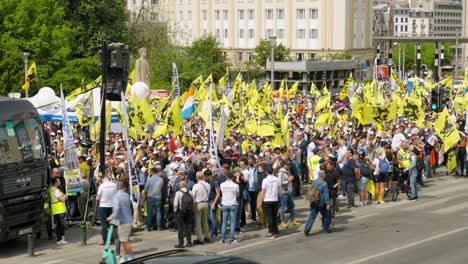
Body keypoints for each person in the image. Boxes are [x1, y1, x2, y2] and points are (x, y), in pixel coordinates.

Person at [107, 181, 134, 263]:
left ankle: (128, 257)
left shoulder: (116, 196)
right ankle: (125, 256)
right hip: (129, 219)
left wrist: (111, 217)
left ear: (116, 188)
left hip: (123, 221)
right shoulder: (126, 195)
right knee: (124, 240)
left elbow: (116, 209)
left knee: (124, 241)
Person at [304, 170, 331, 236]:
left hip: (314, 201)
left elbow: (311, 192)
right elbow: (326, 195)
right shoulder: (324, 183)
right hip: (321, 202)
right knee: (325, 215)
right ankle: (325, 229)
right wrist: (327, 203)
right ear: (323, 175)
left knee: (312, 216)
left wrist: (310, 201)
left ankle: (307, 228)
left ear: (319, 175)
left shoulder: (314, 182)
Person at [260, 165, 280, 238]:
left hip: (267, 200)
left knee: (269, 217)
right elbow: (279, 190)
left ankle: (271, 231)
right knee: (274, 215)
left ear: (266, 172)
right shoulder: (277, 179)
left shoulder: (265, 180)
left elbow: (263, 191)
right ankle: (276, 229)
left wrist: (261, 200)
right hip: (275, 199)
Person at [278, 161, 300, 228]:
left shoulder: (288, 171)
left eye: (289, 165)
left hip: (289, 192)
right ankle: (282, 221)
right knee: (282, 208)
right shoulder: (281, 172)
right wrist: (289, 180)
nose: (288, 166)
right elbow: (280, 183)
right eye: (287, 165)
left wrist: (291, 179)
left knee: (292, 206)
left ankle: (292, 220)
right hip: (283, 192)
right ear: (284, 165)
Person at [220, 171, 240, 244]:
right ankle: (231, 239)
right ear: (233, 177)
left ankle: (222, 238)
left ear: (226, 176)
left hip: (225, 204)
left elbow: (222, 192)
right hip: (232, 204)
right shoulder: (235, 185)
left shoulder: (222, 184)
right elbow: (238, 195)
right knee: (232, 222)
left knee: (224, 222)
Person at [96, 175, 117, 245]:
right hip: (113, 206)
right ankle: (112, 239)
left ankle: (106, 241)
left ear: (102, 180)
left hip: (103, 206)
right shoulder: (114, 184)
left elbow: (97, 198)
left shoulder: (102, 186)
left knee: (104, 224)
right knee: (112, 223)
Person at [192, 171, 211, 245]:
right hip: (206, 203)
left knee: (198, 222)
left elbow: (193, 196)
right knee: (205, 221)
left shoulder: (196, 186)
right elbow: (208, 194)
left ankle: (200, 238)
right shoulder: (207, 185)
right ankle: (207, 236)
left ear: (197, 177)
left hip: (198, 203)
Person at [173, 181, 194, 248]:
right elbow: (193, 201)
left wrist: (175, 211)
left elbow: (176, 204)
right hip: (189, 210)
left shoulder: (178, 193)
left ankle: (181, 243)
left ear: (180, 186)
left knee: (180, 227)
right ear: (186, 185)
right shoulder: (190, 192)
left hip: (181, 211)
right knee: (188, 227)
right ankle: (189, 243)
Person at [144, 167, 164, 231]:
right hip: (158, 197)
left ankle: (149, 227)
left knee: (149, 213)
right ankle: (158, 227)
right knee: (158, 212)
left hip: (150, 196)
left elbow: (145, 189)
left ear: (152, 172)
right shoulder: (161, 179)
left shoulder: (149, 179)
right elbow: (161, 187)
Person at [49, 177, 68, 245]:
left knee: (59, 225)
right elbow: (62, 199)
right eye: (59, 181)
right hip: (59, 210)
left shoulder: (54, 190)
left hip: (57, 210)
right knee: (61, 225)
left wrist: (64, 196)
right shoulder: (56, 190)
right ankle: (60, 239)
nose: (60, 182)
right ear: (55, 182)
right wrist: (65, 196)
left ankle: (61, 239)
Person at [205, 169, 221, 238]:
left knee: (212, 218)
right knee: (209, 217)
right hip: (207, 201)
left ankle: (215, 233)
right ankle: (210, 231)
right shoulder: (207, 181)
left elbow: (218, 194)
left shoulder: (215, 182)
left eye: (206, 176)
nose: (205, 178)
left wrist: (214, 204)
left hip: (212, 201)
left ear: (209, 175)